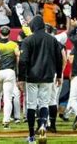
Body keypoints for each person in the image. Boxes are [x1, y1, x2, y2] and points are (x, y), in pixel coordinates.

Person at [18, 15, 63, 144]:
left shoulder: (28, 40)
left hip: (32, 76)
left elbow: (23, 61)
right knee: (44, 103)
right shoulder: (53, 40)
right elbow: (59, 59)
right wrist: (59, 75)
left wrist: (21, 78)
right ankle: (43, 125)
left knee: (31, 105)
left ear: (32, 27)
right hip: (48, 76)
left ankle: (32, 136)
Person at [0, 25, 20, 128]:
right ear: (9, 33)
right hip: (10, 72)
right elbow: (18, 58)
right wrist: (18, 73)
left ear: (0, 33)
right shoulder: (14, 45)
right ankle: (6, 121)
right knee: (7, 98)